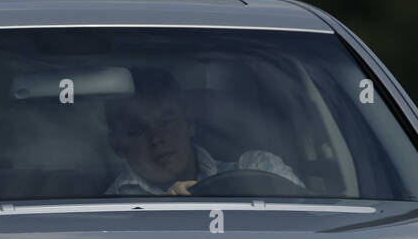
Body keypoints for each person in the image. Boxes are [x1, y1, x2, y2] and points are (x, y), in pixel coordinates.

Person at [103, 67, 305, 196]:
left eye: (166, 122)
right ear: (117, 145)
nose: (156, 138)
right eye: (137, 130)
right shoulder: (105, 209)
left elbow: (307, 224)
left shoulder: (259, 167)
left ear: (189, 123)